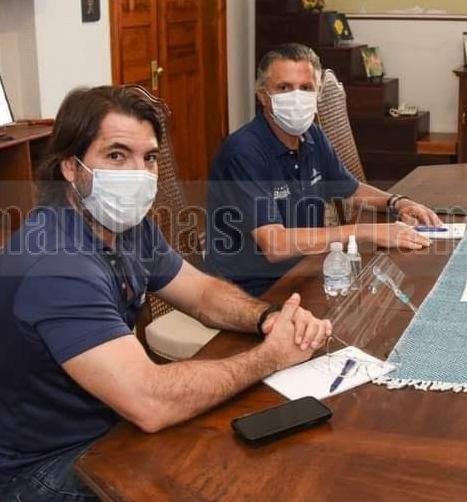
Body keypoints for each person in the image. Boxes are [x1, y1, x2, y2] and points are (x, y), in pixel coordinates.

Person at [0, 86, 333, 501]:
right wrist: (272, 355)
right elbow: (150, 402)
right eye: (117, 155)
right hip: (43, 468)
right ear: (71, 166)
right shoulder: (57, 266)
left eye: (150, 158)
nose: (138, 173)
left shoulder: (127, 228)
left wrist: (267, 318)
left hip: (111, 425)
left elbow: (202, 293)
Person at [205, 43, 442, 296]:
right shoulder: (244, 152)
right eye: (284, 88)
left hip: (305, 269)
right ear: (263, 96)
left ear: (318, 93)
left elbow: (350, 189)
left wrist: (398, 202)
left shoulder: (312, 136)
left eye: (306, 88)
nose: (296, 97)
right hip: (249, 290)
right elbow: (275, 245)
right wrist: (369, 231)